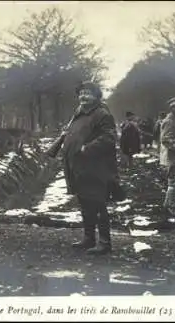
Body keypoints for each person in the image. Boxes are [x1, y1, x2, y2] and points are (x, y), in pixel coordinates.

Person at [60, 81, 119, 255]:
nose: (83, 96)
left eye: (88, 93)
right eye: (81, 93)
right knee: (85, 203)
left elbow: (109, 138)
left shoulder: (102, 114)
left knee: (98, 204)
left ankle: (104, 242)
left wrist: (87, 148)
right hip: (78, 166)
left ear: (96, 96)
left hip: (95, 167)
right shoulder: (79, 113)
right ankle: (88, 238)